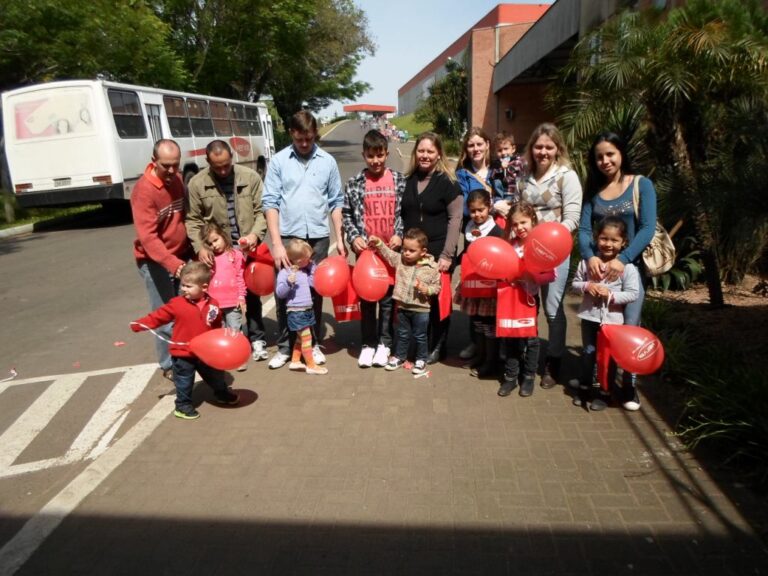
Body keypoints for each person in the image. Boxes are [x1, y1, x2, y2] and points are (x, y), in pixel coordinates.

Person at [578, 132, 657, 410]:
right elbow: (585, 229)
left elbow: (647, 227)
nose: (604, 160)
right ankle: (605, 387)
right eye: (599, 156)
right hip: (599, 275)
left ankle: (629, 387)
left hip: (630, 272)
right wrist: (589, 257)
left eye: (610, 153)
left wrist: (623, 258)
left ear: (621, 153)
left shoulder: (640, 184)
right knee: (603, 334)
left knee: (629, 331)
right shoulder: (594, 191)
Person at [263, 110, 346, 369]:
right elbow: (270, 202)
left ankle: (314, 343)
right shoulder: (278, 162)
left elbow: (335, 202)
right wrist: (276, 244)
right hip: (289, 237)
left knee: (314, 292)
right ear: (292, 134)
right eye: (300, 139)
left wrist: (339, 237)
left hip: (319, 237)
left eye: (309, 139)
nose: (304, 144)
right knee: (285, 292)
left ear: (315, 135)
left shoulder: (327, 162)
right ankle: (286, 347)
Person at [185, 140, 268, 365]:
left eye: (226, 165)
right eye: (217, 167)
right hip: (217, 253)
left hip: (246, 248)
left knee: (251, 294)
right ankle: (223, 343)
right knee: (219, 298)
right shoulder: (197, 183)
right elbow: (192, 220)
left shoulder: (250, 177)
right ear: (208, 162)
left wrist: (255, 236)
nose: (222, 170)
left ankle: (257, 338)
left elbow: (262, 210)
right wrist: (200, 247)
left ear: (232, 157)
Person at [130, 262, 240, 420]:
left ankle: (221, 393)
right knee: (184, 380)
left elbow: (217, 325)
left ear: (203, 287)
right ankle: (182, 405)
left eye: (188, 286)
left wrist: (221, 340)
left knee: (216, 375)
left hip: (206, 352)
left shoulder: (213, 304)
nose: (183, 289)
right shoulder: (177, 304)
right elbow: (158, 316)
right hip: (183, 353)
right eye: (183, 285)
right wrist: (140, 324)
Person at [518, 123, 583, 389]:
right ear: (531, 149)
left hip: (555, 253)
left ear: (558, 149)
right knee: (526, 304)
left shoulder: (567, 176)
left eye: (548, 147)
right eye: (538, 146)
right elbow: (519, 210)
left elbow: (573, 218)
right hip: (526, 253)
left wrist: (550, 237)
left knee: (553, 309)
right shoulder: (524, 177)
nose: (543, 151)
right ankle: (527, 355)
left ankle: (554, 361)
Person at [342, 129, 407, 368]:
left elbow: (404, 213)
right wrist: (354, 237)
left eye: (380, 155)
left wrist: (400, 234)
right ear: (364, 155)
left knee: (389, 302)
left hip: (390, 254)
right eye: (370, 156)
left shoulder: (399, 180)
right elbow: (347, 214)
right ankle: (368, 344)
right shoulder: (354, 183)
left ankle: (385, 344)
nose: (376, 161)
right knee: (368, 301)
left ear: (387, 154)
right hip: (366, 255)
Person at [130, 138, 190, 381]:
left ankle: (185, 356)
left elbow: (185, 215)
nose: (173, 171)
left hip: (180, 256)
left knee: (186, 310)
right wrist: (173, 265)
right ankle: (169, 366)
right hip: (156, 262)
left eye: (176, 165)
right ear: (154, 162)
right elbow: (149, 239)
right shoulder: (144, 192)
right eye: (167, 166)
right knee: (165, 313)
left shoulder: (176, 180)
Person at [400, 132, 463, 364]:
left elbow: (455, 220)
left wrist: (447, 254)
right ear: (415, 152)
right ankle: (421, 342)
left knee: (438, 301)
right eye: (421, 151)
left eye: (430, 151)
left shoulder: (448, 183)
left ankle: (439, 344)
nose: (425, 155)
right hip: (412, 254)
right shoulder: (408, 180)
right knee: (417, 299)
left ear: (438, 155)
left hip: (438, 253)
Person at [571, 217, 640, 410]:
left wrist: (611, 295)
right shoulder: (587, 264)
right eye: (603, 238)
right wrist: (587, 286)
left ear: (623, 242)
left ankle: (605, 393)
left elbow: (633, 294)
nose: (608, 244)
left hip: (613, 323)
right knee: (588, 353)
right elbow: (574, 285)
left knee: (607, 357)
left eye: (614, 240)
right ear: (595, 238)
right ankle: (584, 388)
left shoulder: (628, 268)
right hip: (589, 318)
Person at [497, 202, 555, 398]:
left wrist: (534, 277)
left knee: (531, 339)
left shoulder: (540, 247)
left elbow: (550, 275)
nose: (520, 227)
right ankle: (511, 377)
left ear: (533, 221)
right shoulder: (509, 246)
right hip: (510, 300)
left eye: (524, 222)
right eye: (515, 224)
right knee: (511, 338)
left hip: (529, 300)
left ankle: (528, 376)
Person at [368, 228, 441, 375]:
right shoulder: (400, 260)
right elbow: (388, 253)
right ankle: (400, 357)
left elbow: (437, 287)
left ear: (423, 251)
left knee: (420, 336)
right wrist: (378, 243)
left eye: (411, 250)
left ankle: (421, 359)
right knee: (402, 334)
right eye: (405, 249)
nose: (406, 253)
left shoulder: (432, 267)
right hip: (402, 306)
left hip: (421, 309)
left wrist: (426, 289)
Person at [454, 128, 494, 361]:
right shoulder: (461, 175)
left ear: (487, 144)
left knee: (495, 291)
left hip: (498, 236)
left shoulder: (499, 170)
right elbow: (462, 208)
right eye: (471, 145)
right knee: (474, 289)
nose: (476, 149)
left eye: (479, 144)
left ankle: (495, 342)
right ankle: (474, 342)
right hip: (473, 237)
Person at [455, 190, 504, 378]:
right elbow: (469, 252)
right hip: (472, 283)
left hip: (489, 287)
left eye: (481, 210)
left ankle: (491, 362)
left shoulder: (496, 231)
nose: (477, 214)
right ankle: (480, 355)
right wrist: (455, 261)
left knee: (488, 324)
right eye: (473, 211)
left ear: (489, 207)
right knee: (476, 322)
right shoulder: (468, 228)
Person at [275, 240, 328, 375]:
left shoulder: (304, 271)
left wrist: (312, 269)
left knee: (300, 338)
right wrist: (288, 282)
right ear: (298, 261)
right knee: (306, 338)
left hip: (307, 310)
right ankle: (311, 365)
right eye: (307, 259)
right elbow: (280, 293)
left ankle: (295, 360)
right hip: (296, 312)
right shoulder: (285, 273)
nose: (310, 260)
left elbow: (313, 284)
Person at [200, 222, 247, 329]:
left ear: (223, 235)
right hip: (213, 304)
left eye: (216, 240)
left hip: (233, 303)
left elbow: (240, 277)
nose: (214, 245)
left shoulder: (236, 255)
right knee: (217, 333)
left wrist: (241, 297)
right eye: (210, 244)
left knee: (234, 332)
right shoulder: (207, 259)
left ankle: (238, 346)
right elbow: (204, 281)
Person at [488, 131, 526, 206]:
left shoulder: (518, 161)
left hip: (514, 194)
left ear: (513, 149)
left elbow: (524, 175)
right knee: (496, 181)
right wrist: (500, 168)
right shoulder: (496, 163)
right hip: (501, 196)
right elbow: (491, 177)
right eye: (499, 150)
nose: (503, 152)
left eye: (506, 149)